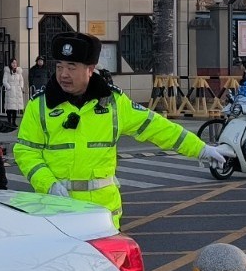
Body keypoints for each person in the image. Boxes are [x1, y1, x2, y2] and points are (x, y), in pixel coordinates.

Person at [14, 31, 226, 229]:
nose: (63, 74)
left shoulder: (113, 103)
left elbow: (158, 127)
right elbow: (26, 152)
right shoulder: (40, 105)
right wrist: (48, 184)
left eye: (71, 67)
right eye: (59, 67)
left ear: (90, 69)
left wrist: (201, 149)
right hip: (57, 212)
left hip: (103, 217)